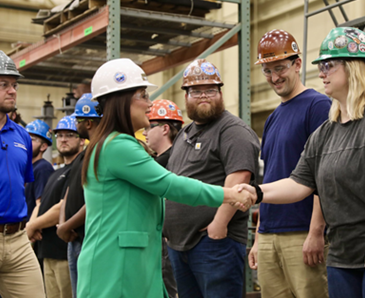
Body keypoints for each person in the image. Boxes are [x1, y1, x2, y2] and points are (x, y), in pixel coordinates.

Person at [239, 27, 365, 298]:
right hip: (344, 256)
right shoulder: (327, 131)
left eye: (328, 65)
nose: (321, 73)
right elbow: (299, 183)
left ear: (354, 67)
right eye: (320, 66)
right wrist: (257, 193)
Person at [77, 58, 253, 298]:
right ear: (123, 101)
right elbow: (170, 184)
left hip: (130, 260)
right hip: (118, 264)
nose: (149, 104)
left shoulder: (111, 144)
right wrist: (229, 194)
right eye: (143, 95)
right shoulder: (118, 146)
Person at [162, 59, 260, 298]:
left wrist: (219, 224)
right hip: (179, 244)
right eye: (196, 91)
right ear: (186, 96)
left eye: (210, 90)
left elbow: (239, 179)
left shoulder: (232, 131)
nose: (203, 96)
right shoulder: (185, 132)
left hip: (214, 243)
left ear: (220, 93)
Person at [250, 29, 331, 298]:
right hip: (270, 233)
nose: (274, 78)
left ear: (297, 64)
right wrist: (259, 236)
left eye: (280, 68)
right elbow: (270, 179)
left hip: (302, 232)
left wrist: (316, 230)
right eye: (267, 71)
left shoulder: (318, 106)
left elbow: (323, 173)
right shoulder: (273, 118)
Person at [0, 50, 45, 298]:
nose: (12, 90)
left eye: (14, 84)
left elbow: (21, 185)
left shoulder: (22, 136)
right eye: (3, 84)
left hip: (18, 240)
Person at [26, 115, 85, 298]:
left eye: (70, 135)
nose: (63, 139)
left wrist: (33, 226)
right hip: (47, 250)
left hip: (65, 251)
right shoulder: (56, 172)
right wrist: (31, 226)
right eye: (59, 136)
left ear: (82, 140)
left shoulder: (79, 168)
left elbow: (62, 208)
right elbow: (42, 203)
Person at [56, 93, 100, 298]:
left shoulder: (99, 153)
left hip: (88, 239)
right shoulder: (83, 155)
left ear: (88, 122)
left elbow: (96, 198)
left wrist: (66, 226)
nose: (75, 124)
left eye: (78, 120)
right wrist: (62, 224)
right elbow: (68, 193)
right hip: (73, 239)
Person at [143, 99, 184, 298]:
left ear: (165, 128)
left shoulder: (173, 162)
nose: (144, 132)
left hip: (167, 240)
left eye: (149, 127)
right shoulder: (156, 162)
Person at [25, 119, 55, 221]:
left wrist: (32, 227)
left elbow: (41, 204)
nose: (25, 141)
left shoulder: (43, 168)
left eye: (31, 139)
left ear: (43, 146)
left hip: (30, 231)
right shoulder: (26, 167)